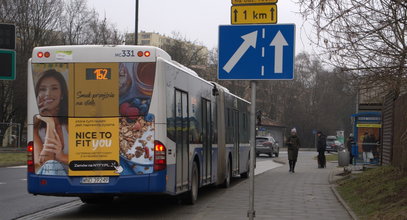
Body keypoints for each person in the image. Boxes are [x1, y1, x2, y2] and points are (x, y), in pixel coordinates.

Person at [33, 69, 69, 175]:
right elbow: (44, 162)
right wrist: (50, 123)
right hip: (52, 174)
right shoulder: (35, 128)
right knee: (51, 165)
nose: (48, 94)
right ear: (38, 94)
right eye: (43, 89)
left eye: (54, 88)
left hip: (74, 172)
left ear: (62, 94)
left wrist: (62, 156)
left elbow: (86, 158)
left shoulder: (72, 122)